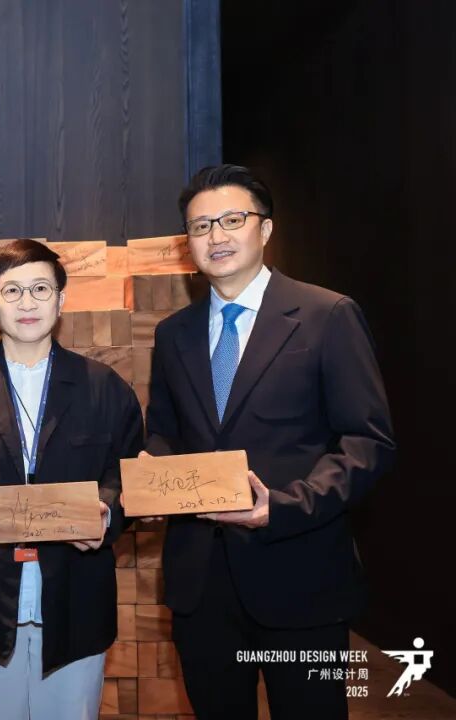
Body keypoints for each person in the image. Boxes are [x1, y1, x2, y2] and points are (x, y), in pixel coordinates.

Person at [143, 164, 396, 720]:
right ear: (187, 244)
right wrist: (154, 474)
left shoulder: (327, 315)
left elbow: (367, 442)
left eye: (231, 220)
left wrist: (281, 508)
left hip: (302, 573)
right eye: (200, 226)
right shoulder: (173, 333)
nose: (216, 236)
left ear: (266, 228)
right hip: (200, 584)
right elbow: (163, 431)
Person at [0, 239, 143, 719]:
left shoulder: (105, 387)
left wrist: (106, 511)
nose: (27, 302)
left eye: (41, 288)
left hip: (75, 603)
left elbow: (127, 474)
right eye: (12, 290)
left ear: (61, 300)